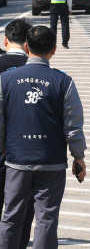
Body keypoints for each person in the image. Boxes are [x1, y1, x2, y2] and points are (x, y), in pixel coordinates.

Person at [0, 26, 87, 249]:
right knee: (46, 219)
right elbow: (73, 124)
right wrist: (78, 156)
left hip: (16, 160)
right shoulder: (63, 81)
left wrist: (5, 148)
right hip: (52, 161)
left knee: (11, 216)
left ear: (27, 48)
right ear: (54, 50)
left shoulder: (6, 79)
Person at [0, 18, 36, 249]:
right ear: (28, 44)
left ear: (5, 40)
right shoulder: (38, 70)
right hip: (24, 150)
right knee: (21, 207)